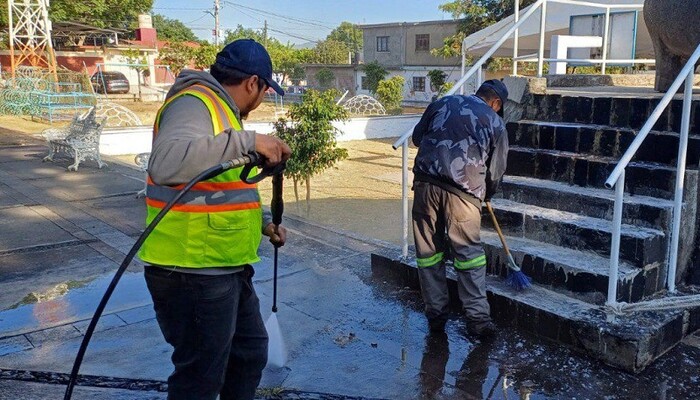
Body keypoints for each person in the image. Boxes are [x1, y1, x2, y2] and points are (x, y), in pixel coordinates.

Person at [139, 39, 291, 400]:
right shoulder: (194, 103)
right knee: (201, 379)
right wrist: (248, 141)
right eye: (266, 90)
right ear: (253, 83)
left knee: (249, 354)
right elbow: (166, 163)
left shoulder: (223, 113)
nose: (263, 99)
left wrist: (263, 223)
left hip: (225, 266)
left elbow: (221, 189)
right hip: (190, 271)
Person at [411, 79, 509, 338]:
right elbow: (497, 171)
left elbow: (416, 138)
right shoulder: (495, 121)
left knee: (428, 253)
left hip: (425, 185)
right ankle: (478, 322)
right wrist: (487, 193)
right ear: (496, 103)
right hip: (464, 193)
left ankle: (436, 315)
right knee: (469, 257)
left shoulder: (442, 102)